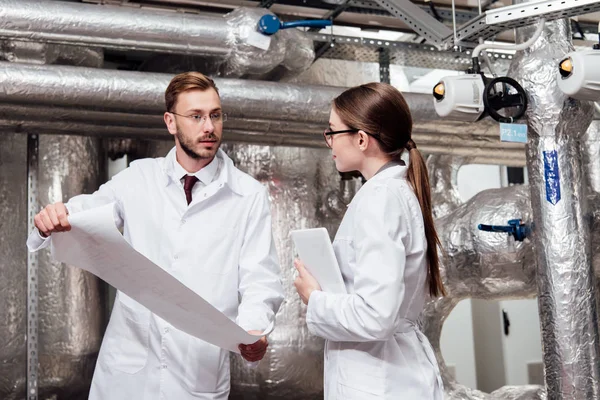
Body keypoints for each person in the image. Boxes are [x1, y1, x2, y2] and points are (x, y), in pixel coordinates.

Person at [27, 72, 284, 400]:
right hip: (128, 367)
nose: (209, 127)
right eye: (196, 116)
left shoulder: (248, 195)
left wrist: (252, 330)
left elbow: (260, 278)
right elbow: (86, 212)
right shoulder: (139, 178)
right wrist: (54, 217)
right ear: (170, 122)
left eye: (215, 115)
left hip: (198, 367)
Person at [293, 82, 445, 399]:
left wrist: (315, 298)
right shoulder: (390, 193)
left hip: (381, 380)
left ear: (361, 139)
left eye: (332, 132)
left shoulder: (381, 199)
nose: (329, 142)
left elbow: (376, 316)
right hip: (389, 374)